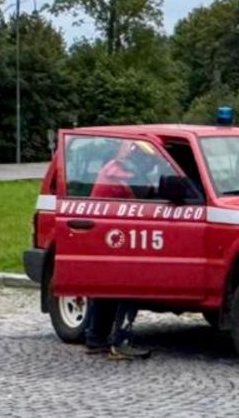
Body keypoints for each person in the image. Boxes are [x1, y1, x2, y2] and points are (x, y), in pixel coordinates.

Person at [84, 140, 157, 360]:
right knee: (127, 289)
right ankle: (120, 341)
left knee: (105, 291)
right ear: (138, 158)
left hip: (104, 238)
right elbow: (146, 202)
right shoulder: (124, 176)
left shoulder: (112, 168)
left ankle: (96, 339)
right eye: (149, 161)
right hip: (118, 240)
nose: (150, 166)